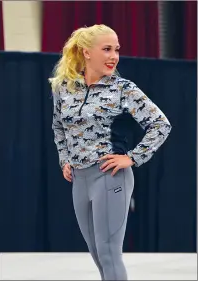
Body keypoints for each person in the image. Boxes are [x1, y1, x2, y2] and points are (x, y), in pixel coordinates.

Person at [49, 24, 172, 280]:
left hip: (110, 176)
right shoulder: (65, 88)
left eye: (116, 49)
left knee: (109, 254)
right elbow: (59, 126)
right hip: (79, 180)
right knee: (96, 253)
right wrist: (64, 159)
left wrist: (133, 157)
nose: (114, 56)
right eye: (106, 49)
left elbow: (161, 124)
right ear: (86, 52)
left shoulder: (123, 89)